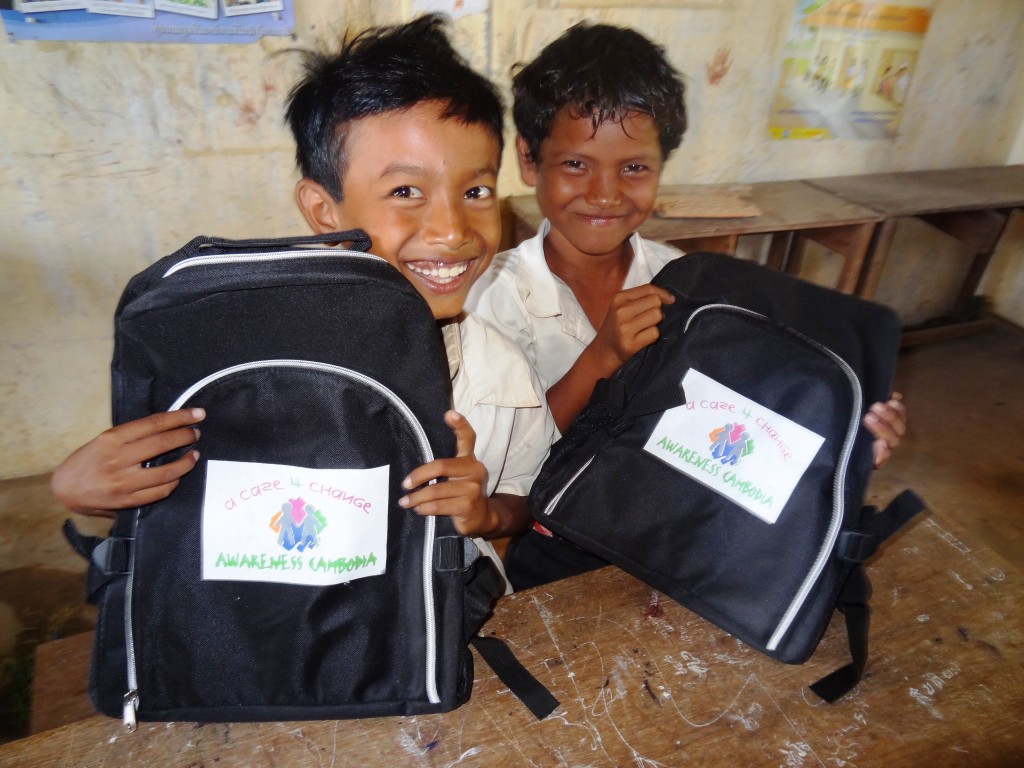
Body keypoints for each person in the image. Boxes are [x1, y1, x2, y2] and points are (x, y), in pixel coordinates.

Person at [49, 13, 556, 593]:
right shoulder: (240, 361)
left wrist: (485, 515)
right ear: (324, 212)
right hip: (281, 643)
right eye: (405, 191)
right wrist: (83, 489)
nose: (452, 230)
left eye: (476, 191)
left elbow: (522, 497)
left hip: (429, 636)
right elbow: (184, 507)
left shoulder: (503, 371)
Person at [467, 21, 907, 588]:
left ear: (661, 166)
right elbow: (508, 465)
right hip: (553, 549)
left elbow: (732, 421)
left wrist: (842, 445)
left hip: (670, 536)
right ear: (530, 161)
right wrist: (600, 359)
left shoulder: (685, 280)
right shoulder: (491, 298)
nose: (605, 193)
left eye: (634, 167)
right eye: (576, 163)